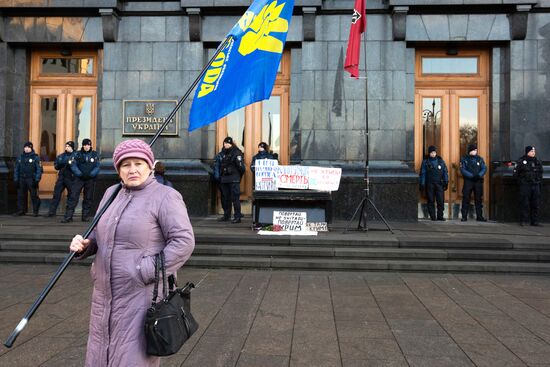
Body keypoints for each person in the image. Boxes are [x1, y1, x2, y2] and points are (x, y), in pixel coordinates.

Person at [69, 139, 195, 367]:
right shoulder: (110, 194)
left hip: (141, 296)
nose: (133, 169)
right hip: (104, 294)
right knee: (100, 354)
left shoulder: (165, 196)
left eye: (139, 163)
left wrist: (143, 271)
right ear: (118, 169)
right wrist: (86, 245)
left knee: (131, 358)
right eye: (126, 165)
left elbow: (184, 242)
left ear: (150, 166)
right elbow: (100, 234)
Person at [62, 138, 100, 223]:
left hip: (90, 179)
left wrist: (91, 174)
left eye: (88, 145)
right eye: (85, 145)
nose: (86, 147)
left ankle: (85, 216)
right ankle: (68, 216)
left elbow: (97, 166)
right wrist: (79, 174)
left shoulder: (94, 154)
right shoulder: (77, 154)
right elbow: (73, 165)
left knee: (88, 198)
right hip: (79, 179)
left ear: (90, 145)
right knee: (73, 197)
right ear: (82, 145)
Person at [218, 136, 245, 223]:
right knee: (226, 199)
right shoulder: (223, 153)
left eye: (227, 143)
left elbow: (241, 168)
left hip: (233, 179)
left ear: (231, 144)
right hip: (225, 179)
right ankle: (227, 216)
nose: (225, 145)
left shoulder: (236, 152)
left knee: (235, 199)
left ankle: (237, 217)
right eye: (225, 143)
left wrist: (237, 177)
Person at [515, 146, 543, 226]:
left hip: (535, 184)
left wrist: (538, 181)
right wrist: (522, 182)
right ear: (527, 152)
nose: (533, 152)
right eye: (531, 151)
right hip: (525, 185)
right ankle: (523, 220)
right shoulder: (521, 161)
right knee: (524, 203)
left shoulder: (537, 161)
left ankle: (534, 221)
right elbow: (516, 173)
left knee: (535, 204)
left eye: (534, 151)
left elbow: (540, 172)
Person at [46, 141, 76, 217]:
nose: (67, 148)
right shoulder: (61, 156)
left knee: (71, 196)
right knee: (56, 195)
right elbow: (56, 166)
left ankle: (68, 214)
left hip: (71, 178)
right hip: (61, 177)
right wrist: (61, 163)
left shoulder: (76, 155)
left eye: (68, 146)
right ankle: (51, 212)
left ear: (72, 147)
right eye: (66, 146)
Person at [419, 145, 449, 221]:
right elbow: (423, 173)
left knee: (440, 200)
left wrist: (446, 181)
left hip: (439, 183)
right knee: (431, 200)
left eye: (434, 152)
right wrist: (422, 183)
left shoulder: (440, 161)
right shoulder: (426, 162)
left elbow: (445, 172)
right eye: (431, 152)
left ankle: (440, 216)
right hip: (430, 184)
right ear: (429, 153)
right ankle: (433, 216)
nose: (433, 154)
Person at [460, 143, 487, 222]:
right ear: (470, 151)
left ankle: (479, 216)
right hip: (468, 181)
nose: (476, 151)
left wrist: (479, 175)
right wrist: (472, 176)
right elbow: (463, 170)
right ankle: (464, 216)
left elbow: (484, 168)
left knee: (478, 199)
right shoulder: (464, 159)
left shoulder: (479, 159)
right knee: (466, 198)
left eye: (476, 150)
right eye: (474, 150)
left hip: (478, 181)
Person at [14, 141, 42, 216]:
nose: (26, 149)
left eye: (28, 147)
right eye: (25, 147)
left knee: (33, 195)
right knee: (20, 195)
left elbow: (39, 169)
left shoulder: (35, 157)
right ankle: (21, 210)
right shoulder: (20, 157)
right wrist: (16, 179)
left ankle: (35, 211)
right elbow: (16, 169)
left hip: (31, 179)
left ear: (31, 148)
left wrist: (37, 180)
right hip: (21, 178)